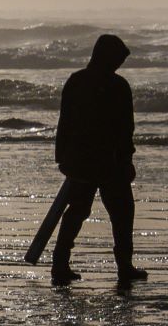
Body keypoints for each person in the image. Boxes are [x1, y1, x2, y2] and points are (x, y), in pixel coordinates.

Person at [49, 33, 146, 286]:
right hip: (108, 162)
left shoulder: (77, 81)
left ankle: (60, 264)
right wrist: (126, 160)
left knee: (78, 211)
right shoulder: (118, 86)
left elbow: (64, 123)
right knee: (122, 212)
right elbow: (125, 129)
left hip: (82, 159)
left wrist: (62, 156)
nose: (119, 65)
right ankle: (124, 266)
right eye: (117, 59)